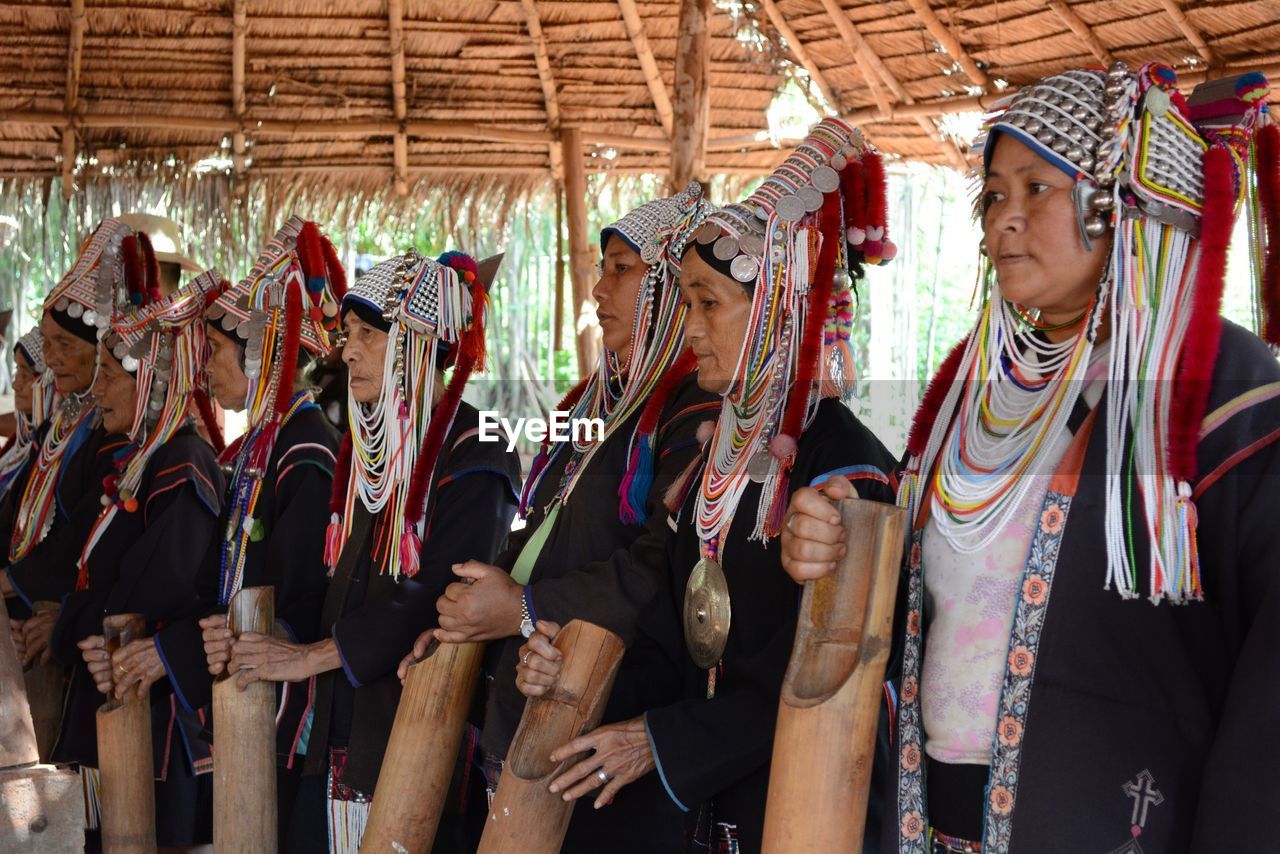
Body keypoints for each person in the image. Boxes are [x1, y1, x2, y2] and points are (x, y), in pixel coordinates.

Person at [781, 65, 1280, 853]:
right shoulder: (974, 393)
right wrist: (842, 534)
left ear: (1121, 200)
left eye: (1036, 189)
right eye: (992, 196)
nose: (1003, 221)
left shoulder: (1221, 388)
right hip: (931, 827)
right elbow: (933, 588)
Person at [517, 118, 899, 852]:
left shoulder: (844, 469)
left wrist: (660, 741)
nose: (690, 328)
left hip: (803, 814)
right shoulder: (712, 464)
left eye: (708, 303)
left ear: (776, 309)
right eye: (687, 303)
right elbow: (669, 640)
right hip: (702, 810)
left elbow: (827, 674)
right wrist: (569, 666)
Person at [402, 183, 720, 850]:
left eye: (621, 270)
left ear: (666, 286)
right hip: (534, 698)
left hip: (611, 726)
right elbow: (540, 528)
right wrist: (472, 622)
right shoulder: (592, 403)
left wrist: (521, 606)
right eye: (601, 271)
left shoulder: (693, 409)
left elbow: (656, 570)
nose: (599, 293)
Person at [224, 249, 521, 853]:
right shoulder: (365, 452)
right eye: (346, 335)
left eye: (367, 334)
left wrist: (313, 657)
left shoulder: (476, 449)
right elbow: (331, 586)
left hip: (413, 737)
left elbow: (443, 594)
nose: (347, 350)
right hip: (330, 727)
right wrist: (276, 635)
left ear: (415, 342)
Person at [138, 217, 344, 848]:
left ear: (263, 355)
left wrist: (247, 633)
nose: (202, 369)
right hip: (245, 693)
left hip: (283, 710)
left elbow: (300, 593)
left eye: (216, 351)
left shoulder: (306, 447)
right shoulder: (255, 446)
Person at [50, 265, 225, 849]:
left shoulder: (184, 462)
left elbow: (160, 587)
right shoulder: (141, 463)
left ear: (150, 382)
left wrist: (86, 625)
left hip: (155, 713)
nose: (95, 390)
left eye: (107, 375)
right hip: (117, 687)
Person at [3, 221, 142, 671]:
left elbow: (81, 536)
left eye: (65, 344)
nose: (54, 357)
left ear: (96, 351)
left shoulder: (115, 438)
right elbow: (15, 510)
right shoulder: (59, 425)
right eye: (48, 344)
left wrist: (12, 582)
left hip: (73, 631)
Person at [0, 330, 55, 558]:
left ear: (49, 380)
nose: (15, 384)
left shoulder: (50, 451)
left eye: (25, 373)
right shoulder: (20, 444)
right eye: (16, 371)